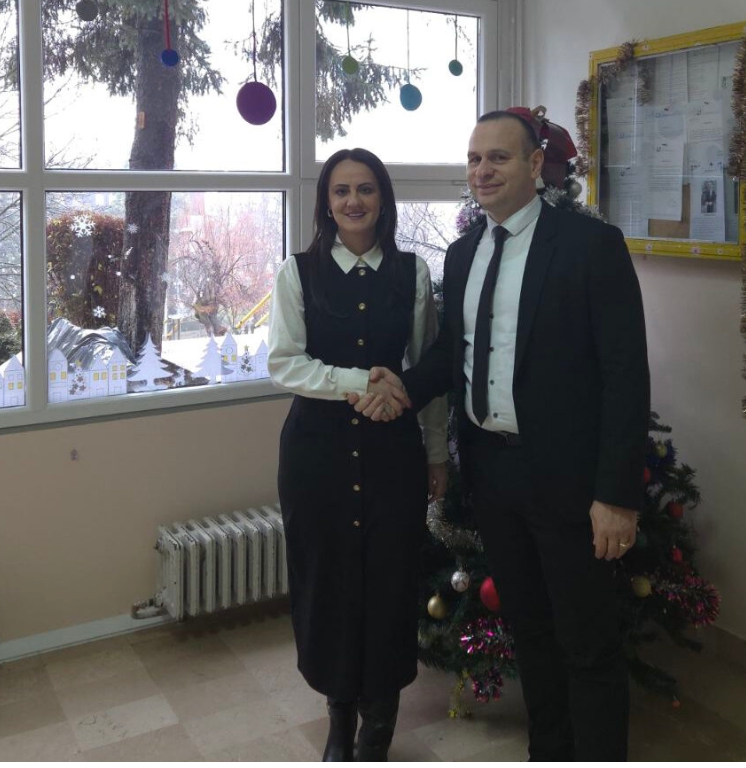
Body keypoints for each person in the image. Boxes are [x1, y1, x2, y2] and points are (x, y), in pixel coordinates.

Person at [350, 111, 650, 761]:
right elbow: (451, 356)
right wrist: (400, 386)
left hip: (570, 483)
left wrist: (616, 496)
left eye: (498, 158)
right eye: (473, 158)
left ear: (535, 164)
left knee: (588, 643)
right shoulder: (464, 253)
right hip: (493, 473)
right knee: (531, 632)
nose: (482, 171)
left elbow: (626, 377)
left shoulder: (589, 246)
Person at [268, 147, 448, 762]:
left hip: (392, 455)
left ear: (383, 200)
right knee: (327, 585)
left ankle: (379, 725)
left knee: (390, 585)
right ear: (326, 203)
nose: (353, 201)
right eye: (341, 190)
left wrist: (436, 453)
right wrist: (358, 382)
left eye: (365, 189)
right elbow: (284, 363)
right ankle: (339, 717)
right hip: (315, 457)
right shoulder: (297, 273)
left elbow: (426, 373)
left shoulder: (412, 273)